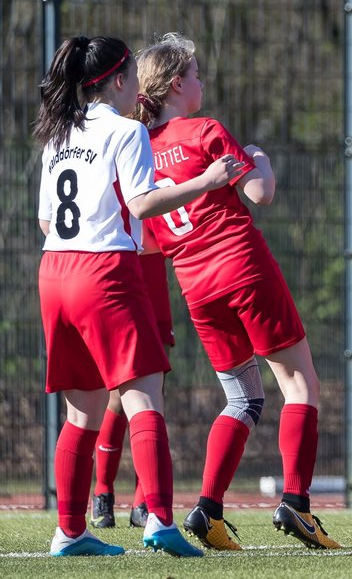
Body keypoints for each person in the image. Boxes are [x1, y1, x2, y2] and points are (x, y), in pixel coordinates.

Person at [128, 32, 340, 551]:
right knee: (300, 385)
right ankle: (297, 503)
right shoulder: (204, 129)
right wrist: (259, 158)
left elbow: (151, 244)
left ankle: (208, 508)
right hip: (243, 267)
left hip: (196, 288)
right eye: (196, 75)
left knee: (241, 397)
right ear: (177, 85)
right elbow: (259, 193)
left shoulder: (137, 152)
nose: (202, 82)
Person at [34, 35, 241, 558]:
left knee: (80, 413)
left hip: (55, 270)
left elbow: (44, 218)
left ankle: (70, 532)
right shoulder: (126, 132)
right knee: (144, 397)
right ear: (121, 80)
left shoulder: (58, 133)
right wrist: (208, 180)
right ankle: (161, 524)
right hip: (105, 271)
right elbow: (145, 203)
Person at [90, 252, 173, 530]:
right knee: (117, 393)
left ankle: (144, 502)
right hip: (119, 263)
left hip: (152, 267)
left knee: (153, 389)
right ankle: (103, 492)